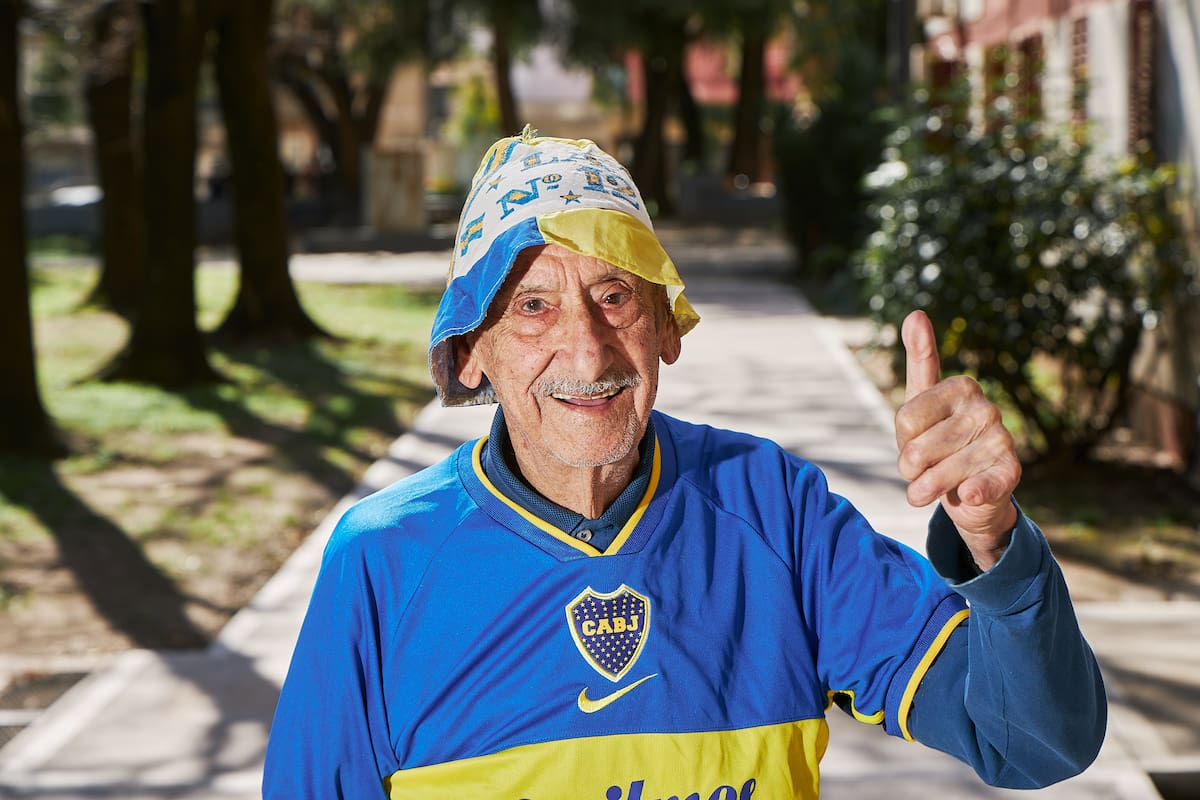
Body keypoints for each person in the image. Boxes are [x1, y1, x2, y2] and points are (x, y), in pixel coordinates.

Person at [263, 129, 1106, 799]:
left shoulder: (776, 511)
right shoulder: (383, 562)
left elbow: (1033, 738)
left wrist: (993, 542)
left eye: (616, 297)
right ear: (471, 351)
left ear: (667, 328)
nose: (585, 350)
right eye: (531, 306)